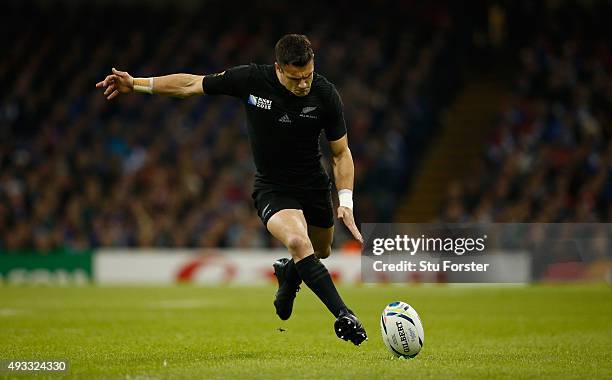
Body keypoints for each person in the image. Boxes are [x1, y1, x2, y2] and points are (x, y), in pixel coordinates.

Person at [96, 34, 367, 345]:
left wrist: (345, 199)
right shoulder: (251, 79)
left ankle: (288, 274)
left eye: (307, 75)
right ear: (278, 68)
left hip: (314, 185)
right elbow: (191, 85)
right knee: (296, 240)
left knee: (320, 251)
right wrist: (138, 84)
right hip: (274, 187)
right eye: (295, 78)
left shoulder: (325, 94)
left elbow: (340, 152)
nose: (303, 84)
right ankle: (345, 314)